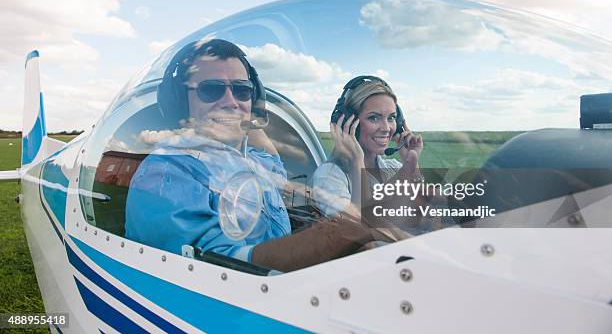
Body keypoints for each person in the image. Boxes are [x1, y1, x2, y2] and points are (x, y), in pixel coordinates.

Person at [125, 39, 388, 273]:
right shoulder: (167, 174)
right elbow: (232, 269)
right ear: (179, 100)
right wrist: (350, 228)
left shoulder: (254, 161)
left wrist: (246, 120)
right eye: (211, 90)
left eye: (241, 91)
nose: (230, 100)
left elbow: (273, 164)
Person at [312, 76, 424, 224]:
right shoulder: (329, 176)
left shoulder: (392, 168)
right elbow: (358, 230)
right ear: (348, 122)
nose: (386, 128)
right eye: (374, 118)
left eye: (391, 118)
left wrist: (412, 163)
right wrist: (357, 165)